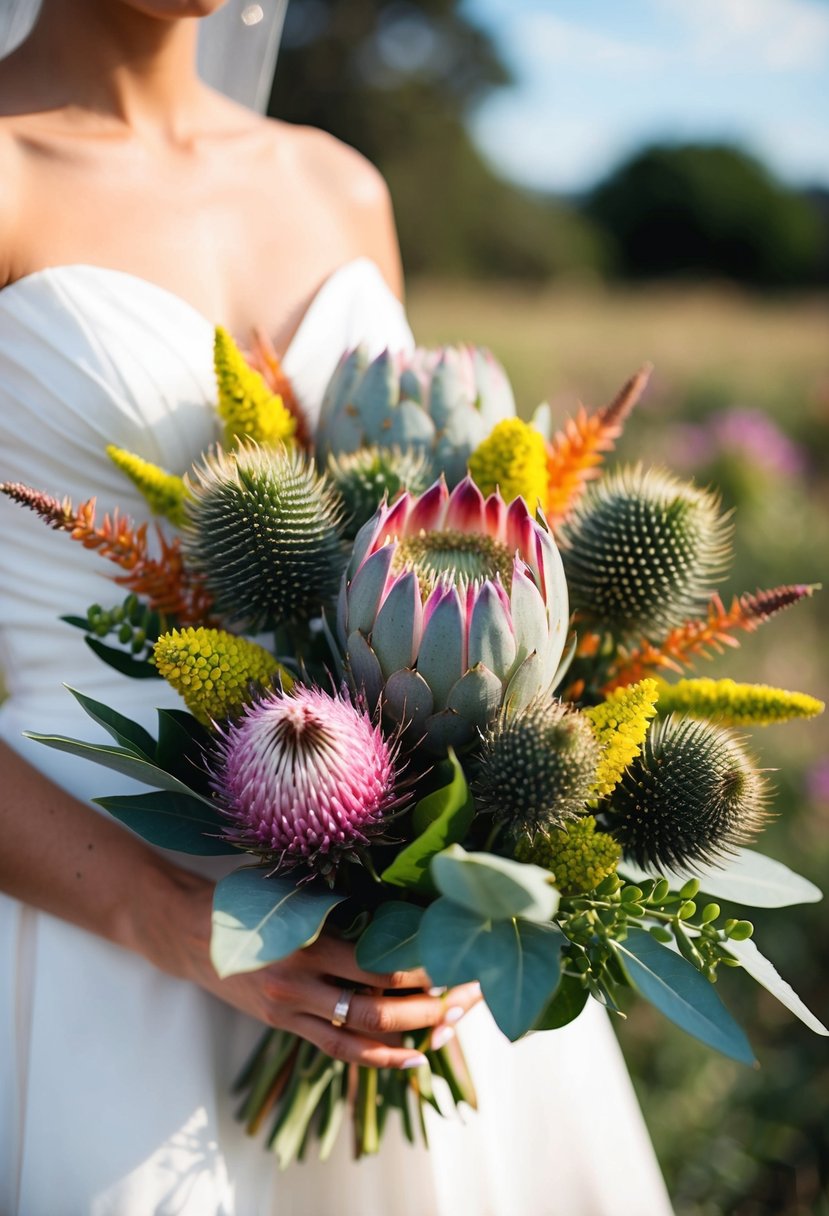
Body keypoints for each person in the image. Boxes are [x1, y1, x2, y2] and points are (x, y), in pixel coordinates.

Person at [0, 3, 674, 1213]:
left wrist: (464, 870)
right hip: (90, 906)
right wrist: (178, 924)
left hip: (391, 916)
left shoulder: (340, 185)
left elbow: (412, 536)